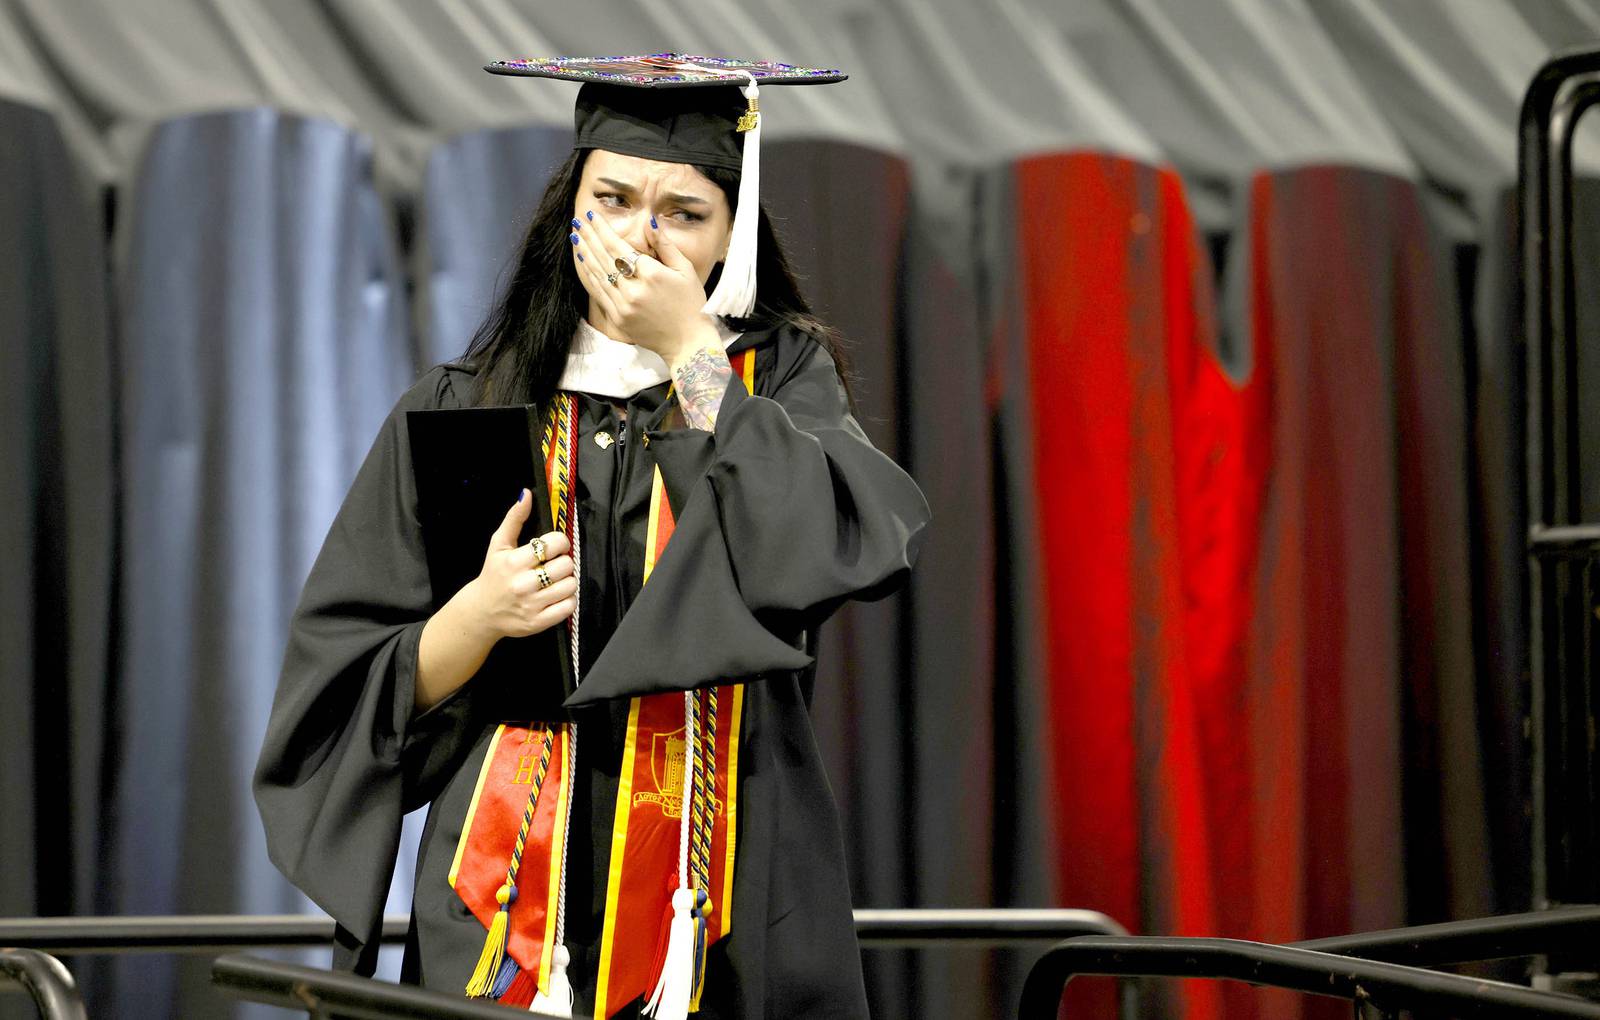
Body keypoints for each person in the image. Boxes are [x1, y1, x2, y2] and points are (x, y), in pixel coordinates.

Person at [253, 55, 929, 1019]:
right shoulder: (476, 402)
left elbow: (826, 547)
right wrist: (478, 620)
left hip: (725, 895)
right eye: (612, 199)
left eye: (684, 214)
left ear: (733, 236)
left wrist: (689, 348)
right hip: (500, 908)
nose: (639, 240)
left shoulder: (771, 385)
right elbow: (341, 692)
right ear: (568, 208)